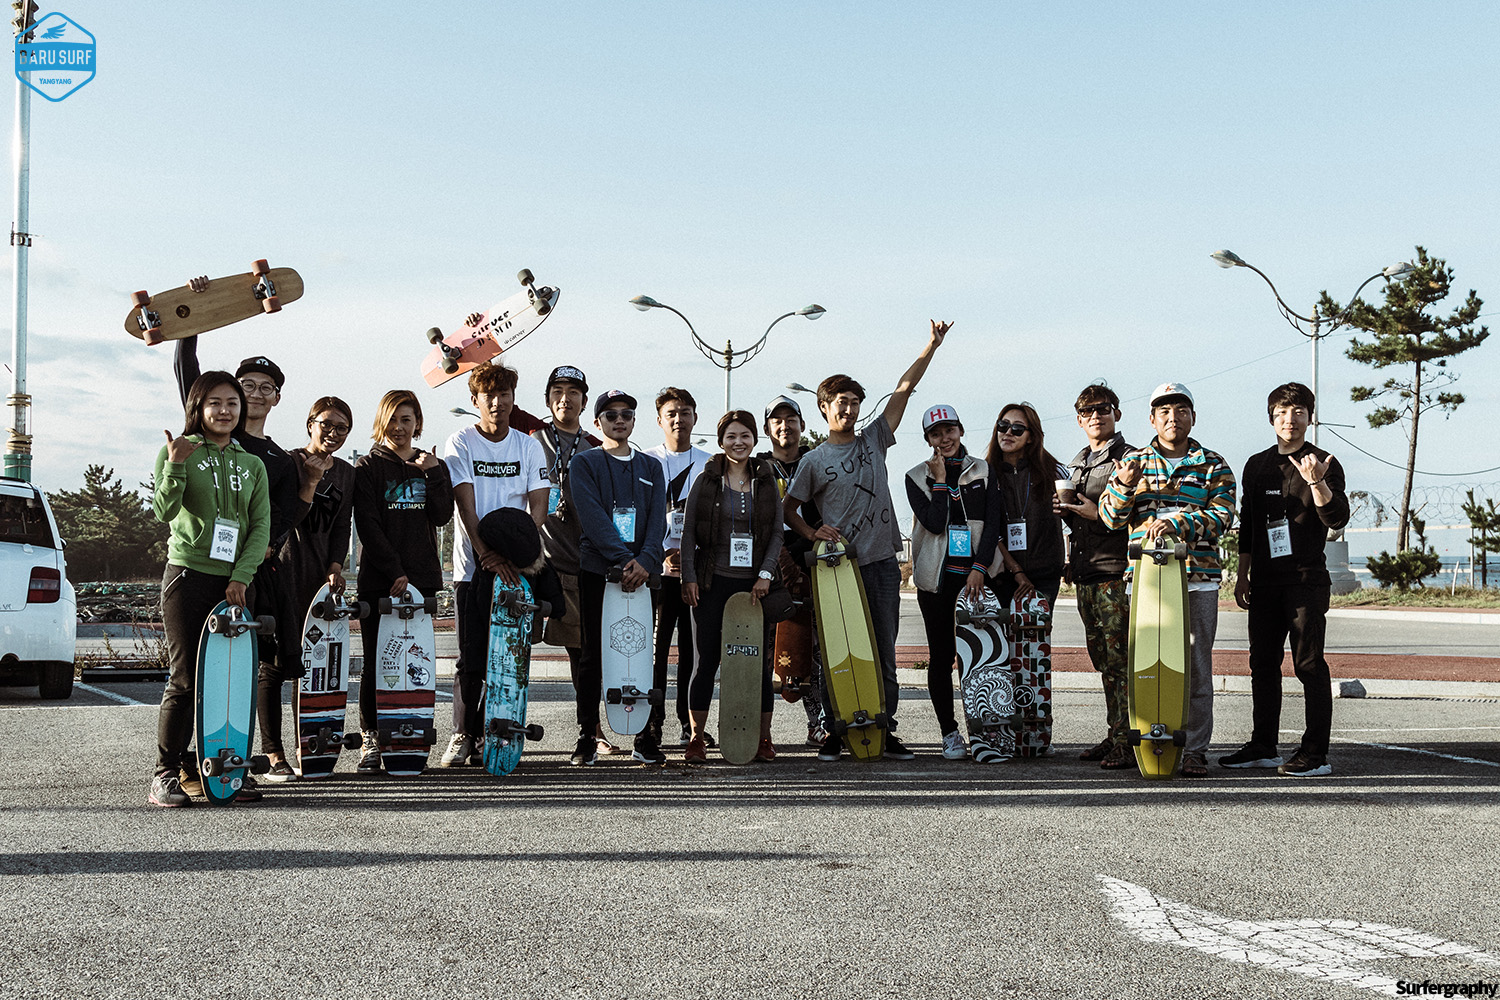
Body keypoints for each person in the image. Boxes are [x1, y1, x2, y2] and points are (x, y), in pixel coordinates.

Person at [786, 320, 952, 762]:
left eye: (855, 402)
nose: (849, 408)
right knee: (837, 652)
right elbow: (788, 510)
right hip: (837, 569)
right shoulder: (814, 460)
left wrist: (930, 346)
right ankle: (835, 730)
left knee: (882, 651)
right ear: (824, 408)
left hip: (880, 563)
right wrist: (812, 532)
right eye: (841, 402)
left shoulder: (875, 439)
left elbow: (904, 389)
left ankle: (884, 728)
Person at [175, 332, 308, 788]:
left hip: (251, 571)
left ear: (277, 398)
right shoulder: (203, 438)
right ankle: (183, 763)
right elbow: (189, 375)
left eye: (265, 388)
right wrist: (190, 323)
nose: (254, 394)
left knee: (241, 669)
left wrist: (263, 549)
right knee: (193, 672)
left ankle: (242, 757)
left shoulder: (276, 459)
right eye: (245, 386)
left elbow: (282, 515)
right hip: (199, 567)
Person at [1098, 382, 1237, 778]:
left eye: (1180, 410)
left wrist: (1179, 523)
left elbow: (1223, 516)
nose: (1172, 418)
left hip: (1197, 579)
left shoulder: (1213, 464)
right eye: (1164, 411)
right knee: (1144, 664)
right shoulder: (1133, 462)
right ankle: (1144, 742)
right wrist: (1124, 485)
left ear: (1193, 417)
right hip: (1145, 580)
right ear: (1152, 419)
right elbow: (1110, 519)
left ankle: (1194, 749)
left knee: (1196, 666)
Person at [149, 372, 271, 807]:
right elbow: (163, 511)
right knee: (185, 679)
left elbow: (260, 526)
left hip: (235, 584)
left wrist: (242, 575)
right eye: (215, 403)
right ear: (198, 408)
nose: (224, 410)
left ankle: (225, 769)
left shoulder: (251, 464)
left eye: (232, 403)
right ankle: (166, 772)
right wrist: (175, 465)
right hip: (188, 576)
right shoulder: (180, 451)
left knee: (231, 680)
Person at [1223, 382, 1349, 777]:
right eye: (1281, 412)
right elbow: (1248, 526)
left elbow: (1336, 518)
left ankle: (1315, 754)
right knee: (1262, 664)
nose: (1289, 419)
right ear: (1271, 418)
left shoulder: (1323, 462)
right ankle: (1263, 745)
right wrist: (1242, 575)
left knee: (1309, 665)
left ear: (1309, 417)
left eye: (1297, 412)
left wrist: (1316, 481)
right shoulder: (1257, 465)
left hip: (1305, 580)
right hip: (1263, 581)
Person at [440, 364, 549, 767]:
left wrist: (516, 556)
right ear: (475, 401)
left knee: (504, 657)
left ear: (513, 399)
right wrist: (486, 553)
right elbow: (465, 506)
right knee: (470, 656)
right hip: (472, 567)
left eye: (505, 395)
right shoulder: (461, 441)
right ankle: (462, 734)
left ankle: (492, 733)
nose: (498, 402)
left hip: (514, 571)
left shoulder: (528, 446)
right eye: (489, 395)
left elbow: (538, 509)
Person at [352, 390, 454, 773]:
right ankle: (371, 739)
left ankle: (408, 738)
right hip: (380, 581)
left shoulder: (430, 465)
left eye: (406, 419)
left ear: (417, 423)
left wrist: (434, 473)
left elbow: (442, 516)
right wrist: (394, 571)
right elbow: (368, 525)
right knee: (377, 662)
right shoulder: (367, 467)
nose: (399, 427)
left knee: (416, 660)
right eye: (393, 419)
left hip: (422, 580)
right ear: (382, 422)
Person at [566, 390, 668, 766]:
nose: (619, 420)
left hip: (643, 576)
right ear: (598, 423)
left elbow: (657, 520)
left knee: (640, 654)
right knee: (593, 655)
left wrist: (646, 561)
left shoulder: (651, 467)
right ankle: (587, 736)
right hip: (599, 571)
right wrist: (626, 560)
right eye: (611, 415)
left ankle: (646, 735)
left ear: (634, 420)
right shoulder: (584, 463)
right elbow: (592, 517)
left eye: (626, 413)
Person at [530, 365, 624, 757]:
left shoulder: (594, 448)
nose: (565, 399)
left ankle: (592, 728)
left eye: (573, 392)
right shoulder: (530, 441)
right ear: (548, 398)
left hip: (579, 563)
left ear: (585, 402)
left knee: (583, 652)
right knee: (510, 646)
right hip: (536, 562)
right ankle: (489, 730)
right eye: (557, 391)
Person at [680, 411, 784, 762]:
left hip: (755, 587)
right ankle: (696, 737)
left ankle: (763, 738)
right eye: (731, 437)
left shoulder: (767, 480)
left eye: (745, 436)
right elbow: (688, 531)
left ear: (755, 439)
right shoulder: (707, 480)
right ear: (721, 441)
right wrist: (689, 577)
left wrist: (766, 574)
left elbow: (777, 533)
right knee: (707, 661)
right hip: (712, 582)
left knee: (757, 665)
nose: (738, 443)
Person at [1055, 383, 1136, 770]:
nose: (1096, 417)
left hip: (1115, 572)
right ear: (1079, 420)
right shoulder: (1078, 464)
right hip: (1086, 573)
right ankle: (1115, 732)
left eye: (1103, 409)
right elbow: (1079, 521)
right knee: (1103, 661)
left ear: (1116, 413)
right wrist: (1067, 513)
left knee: (1121, 662)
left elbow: (1135, 514)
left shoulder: (1130, 458)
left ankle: (1128, 740)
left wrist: (1093, 513)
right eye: (1087, 412)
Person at [905, 404, 991, 761]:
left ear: (961, 430)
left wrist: (980, 567)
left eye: (950, 430)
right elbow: (935, 523)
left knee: (983, 658)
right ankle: (949, 732)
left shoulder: (982, 469)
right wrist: (940, 480)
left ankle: (987, 730)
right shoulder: (915, 477)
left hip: (978, 580)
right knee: (942, 657)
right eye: (936, 434)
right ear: (928, 439)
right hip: (937, 584)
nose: (945, 438)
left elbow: (993, 523)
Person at [644, 387, 712, 747]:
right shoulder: (646, 461)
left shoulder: (709, 463)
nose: (678, 419)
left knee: (692, 652)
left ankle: (690, 724)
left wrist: (689, 556)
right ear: (659, 420)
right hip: (656, 573)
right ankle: (652, 723)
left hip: (694, 574)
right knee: (655, 653)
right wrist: (659, 553)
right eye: (671, 413)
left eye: (685, 412)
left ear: (695, 418)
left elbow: (714, 520)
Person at [757, 395, 827, 745]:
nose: (785, 426)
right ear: (767, 428)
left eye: (791, 419)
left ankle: (818, 722)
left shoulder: (817, 461)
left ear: (802, 425)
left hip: (811, 561)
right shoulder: (757, 467)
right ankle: (760, 730)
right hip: (768, 565)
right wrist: (777, 559)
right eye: (777, 420)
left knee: (814, 649)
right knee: (767, 650)